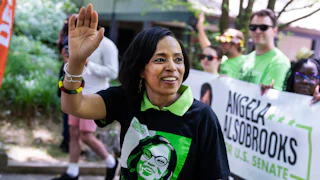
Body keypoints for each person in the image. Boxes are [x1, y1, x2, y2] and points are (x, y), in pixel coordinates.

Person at [60, 4, 230, 180]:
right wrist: (76, 61)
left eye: (178, 59)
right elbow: (73, 105)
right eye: (160, 59)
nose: (172, 67)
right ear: (141, 69)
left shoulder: (202, 117)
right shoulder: (126, 99)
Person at [53, 17, 119, 180]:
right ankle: (72, 171)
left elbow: (113, 72)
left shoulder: (107, 45)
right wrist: (69, 61)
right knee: (73, 133)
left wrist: (89, 64)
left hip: (95, 94)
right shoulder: (74, 41)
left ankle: (111, 162)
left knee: (86, 135)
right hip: (76, 90)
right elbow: (71, 68)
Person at [239, 9, 291, 91]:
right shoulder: (245, 59)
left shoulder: (279, 62)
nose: (258, 31)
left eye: (263, 27)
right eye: (253, 27)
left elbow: (271, 98)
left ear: (275, 31)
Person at [197, 12, 247, 78]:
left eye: (225, 42)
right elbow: (208, 48)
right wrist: (200, 26)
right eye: (222, 42)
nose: (222, 45)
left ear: (236, 45)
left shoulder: (246, 62)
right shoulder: (222, 58)